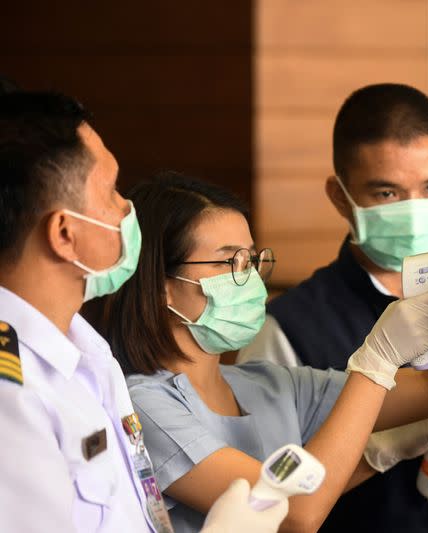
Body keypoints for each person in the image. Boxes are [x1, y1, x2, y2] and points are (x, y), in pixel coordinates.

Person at [100, 172, 428, 533]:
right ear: (160, 285)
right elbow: (293, 514)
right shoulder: (144, 405)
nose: (251, 277)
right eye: (229, 261)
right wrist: (376, 362)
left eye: (251, 259)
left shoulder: (269, 385)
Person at [0, 91, 287, 532]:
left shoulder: (87, 353)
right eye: (111, 192)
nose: (127, 210)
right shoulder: (12, 397)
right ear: (63, 232)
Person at [239, 83, 428, 532]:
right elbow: (263, 496)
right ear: (341, 197)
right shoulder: (288, 329)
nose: (415, 210)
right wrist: (385, 444)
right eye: (387, 195)